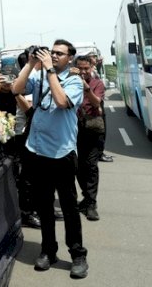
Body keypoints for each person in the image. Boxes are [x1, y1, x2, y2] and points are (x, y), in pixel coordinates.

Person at [12, 40, 89, 279]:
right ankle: (48, 250)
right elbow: (16, 89)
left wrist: (50, 71)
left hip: (62, 153)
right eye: (52, 52)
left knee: (68, 207)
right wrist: (31, 63)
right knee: (44, 205)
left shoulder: (74, 80)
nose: (53, 56)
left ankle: (77, 254)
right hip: (37, 150)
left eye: (59, 53)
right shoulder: (40, 76)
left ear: (70, 58)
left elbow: (62, 101)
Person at [74, 56, 106, 222]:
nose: (83, 72)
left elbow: (96, 103)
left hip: (93, 130)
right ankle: (86, 198)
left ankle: (91, 204)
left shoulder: (97, 84)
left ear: (91, 68)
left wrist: (86, 88)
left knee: (91, 166)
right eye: (80, 68)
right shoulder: (69, 83)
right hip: (74, 132)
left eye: (86, 69)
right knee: (78, 167)